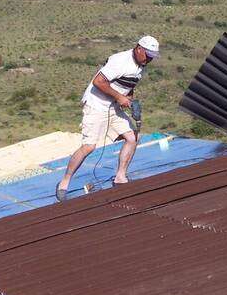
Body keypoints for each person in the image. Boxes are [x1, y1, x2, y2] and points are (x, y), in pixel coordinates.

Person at [55, 35, 160, 201]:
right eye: (147, 55)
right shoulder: (120, 61)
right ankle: (64, 183)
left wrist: (129, 101)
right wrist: (119, 97)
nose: (149, 60)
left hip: (113, 106)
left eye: (152, 57)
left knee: (132, 137)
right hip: (96, 104)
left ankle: (120, 177)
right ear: (139, 48)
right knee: (89, 147)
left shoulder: (142, 65)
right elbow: (99, 81)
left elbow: (129, 85)